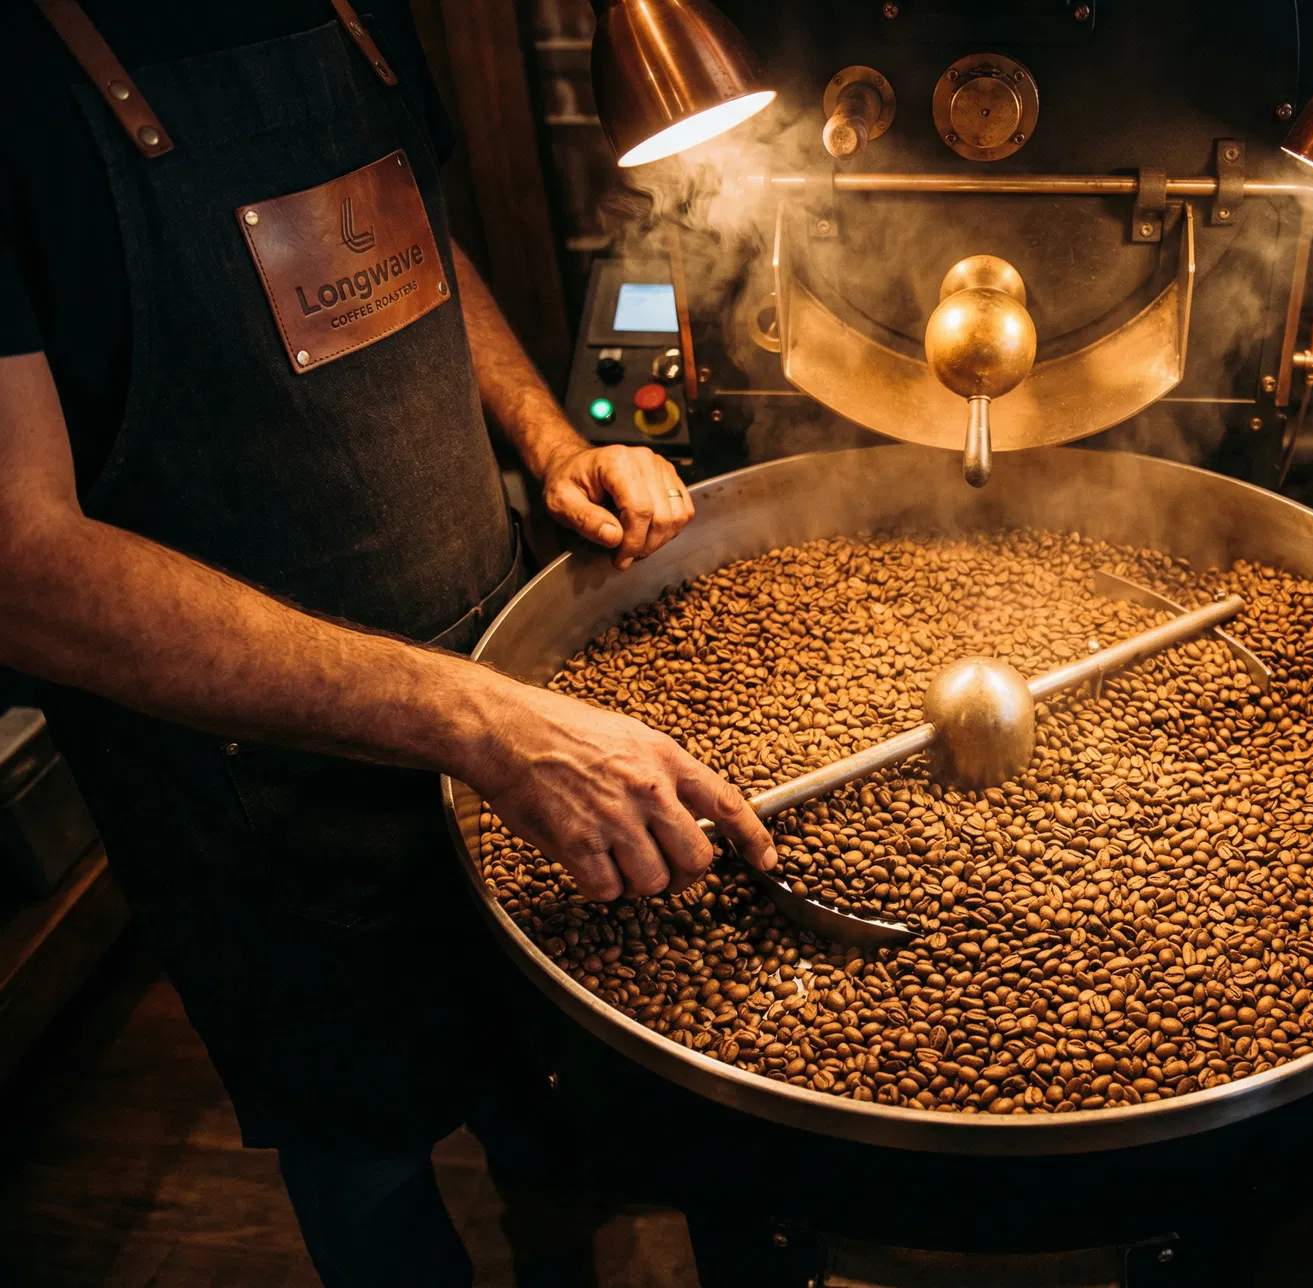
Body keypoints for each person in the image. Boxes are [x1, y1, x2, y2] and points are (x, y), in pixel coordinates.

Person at [0, 1, 777, 1282]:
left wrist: (551, 439)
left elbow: (400, 236)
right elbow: (24, 567)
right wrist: (474, 718)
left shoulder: (355, 14)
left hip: (503, 679)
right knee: (368, 1163)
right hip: (258, 792)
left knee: (549, 1086)